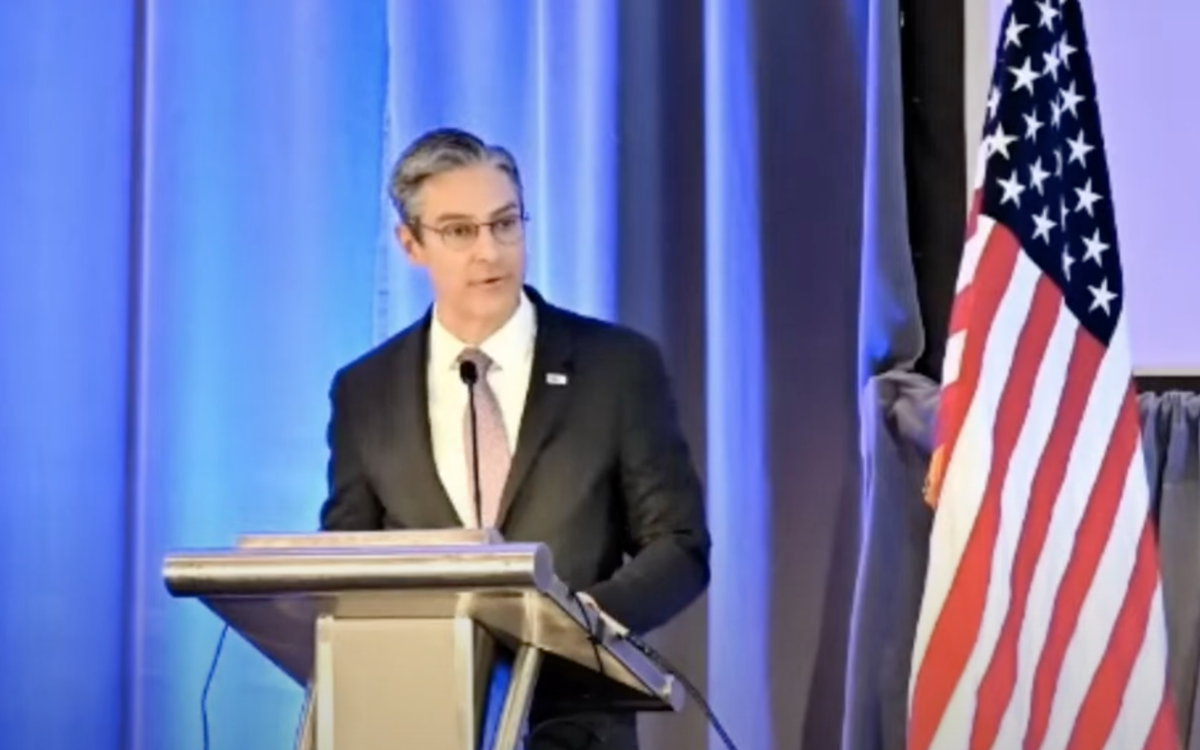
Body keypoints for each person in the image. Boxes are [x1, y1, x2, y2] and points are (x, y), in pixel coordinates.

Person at [318, 127, 711, 749]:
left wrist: (577, 622)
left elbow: (679, 546)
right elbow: (348, 563)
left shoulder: (616, 367)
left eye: (504, 224)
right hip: (419, 720)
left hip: (576, 724)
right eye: (459, 231)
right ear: (411, 244)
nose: (490, 251)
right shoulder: (365, 390)